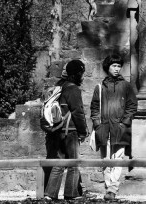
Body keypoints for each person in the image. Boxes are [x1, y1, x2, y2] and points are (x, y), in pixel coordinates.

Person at [90, 54, 138, 201]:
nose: (117, 69)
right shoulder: (100, 87)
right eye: (114, 66)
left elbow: (132, 106)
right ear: (108, 67)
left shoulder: (126, 86)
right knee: (105, 159)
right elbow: (94, 107)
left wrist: (124, 123)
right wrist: (97, 124)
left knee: (118, 157)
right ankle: (108, 186)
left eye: (119, 66)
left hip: (120, 128)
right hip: (104, 128)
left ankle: (112, 189)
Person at [44, 59, 88, 201]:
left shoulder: (59, 86)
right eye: (82, 73)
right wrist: (83, 131)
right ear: (77, 74)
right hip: (71, 130)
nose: (83, 76)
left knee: (59, 163)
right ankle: (71, 194)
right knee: (73, 163)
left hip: (58, 129)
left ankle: (50, 194)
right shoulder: (73, 89)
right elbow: (77, 112)